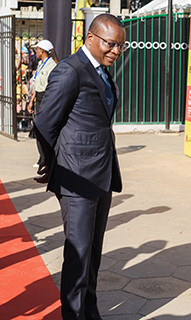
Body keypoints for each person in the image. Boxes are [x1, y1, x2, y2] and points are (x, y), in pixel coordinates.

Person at [33, 14, 126, 319]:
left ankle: (90, 311)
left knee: (93, 255)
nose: (115, 51)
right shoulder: (71, 70)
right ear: (91, 38)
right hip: (76, 179)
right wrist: (51, 161)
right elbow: (45, 122)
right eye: (110, 44)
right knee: (78, 256)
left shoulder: (100, 71)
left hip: (101, 175)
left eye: (120, 47)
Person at [28, 39, 58, 167]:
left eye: (37, 49)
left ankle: (47, 158)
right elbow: (36, 85)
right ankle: (42, 157)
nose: (35, 51)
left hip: (46, 99)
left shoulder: (52, 66)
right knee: (38, 129)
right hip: (38, 98)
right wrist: (31, 102)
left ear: (43, 51)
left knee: (44, 129)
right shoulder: (40, 64)